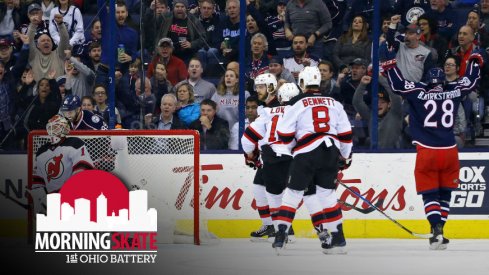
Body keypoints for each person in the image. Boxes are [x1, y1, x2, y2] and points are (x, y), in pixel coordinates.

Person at [383, 52, 482, 250]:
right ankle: (441, 232)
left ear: (427, 80)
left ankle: (435, 229)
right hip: (449, 150)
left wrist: (389, 66)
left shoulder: (419, 90)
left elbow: (398, 85)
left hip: (427, 151)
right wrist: (474, 63)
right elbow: (470, 83)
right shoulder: (453, 89)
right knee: (445, 194)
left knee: (430, 195)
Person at [273, 66, 353, 254]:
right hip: (330, 152)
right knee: (327, 195)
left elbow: (284, 134)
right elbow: (346, 134)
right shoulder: (335, 103)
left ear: (301, 83)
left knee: (293, 194)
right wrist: (345, 157)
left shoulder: (296, 103)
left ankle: (280, 237)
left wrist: (294, 148)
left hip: (306, 154)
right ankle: (339, 239)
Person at [29, 114, 94, 214]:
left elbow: (83, 171)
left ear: (64, 128)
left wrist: (65, 195)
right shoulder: (41, 152)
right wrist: (40, 201)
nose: (53, 131)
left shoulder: (74, 143)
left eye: (56, 127)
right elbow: (37, 181)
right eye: (51, 128)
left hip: (75, 200)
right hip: (53, 203)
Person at [352, 75, 403, 149]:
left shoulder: (395, 114)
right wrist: (362, 84)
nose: (379, 105)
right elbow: (357, 102)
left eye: (382, 102)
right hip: (374, 156)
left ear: (389, 104)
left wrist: (380, 78)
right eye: (376, 102)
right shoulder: (370, 116)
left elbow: (396, 98)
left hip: (394, 155)